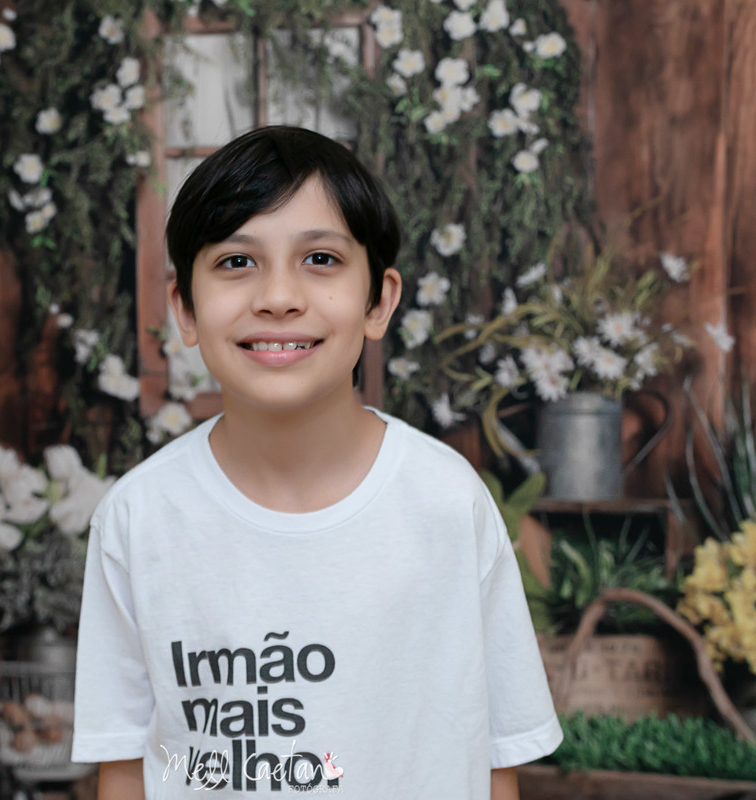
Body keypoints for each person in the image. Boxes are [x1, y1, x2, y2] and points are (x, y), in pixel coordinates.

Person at [71, 125, 562, 799]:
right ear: (184, 308)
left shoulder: (448, 503)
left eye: (321, 259)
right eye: (237, 262)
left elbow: (494, 757)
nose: (279, 296)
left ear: (379, 301)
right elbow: (126, 764)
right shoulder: (139, 519)